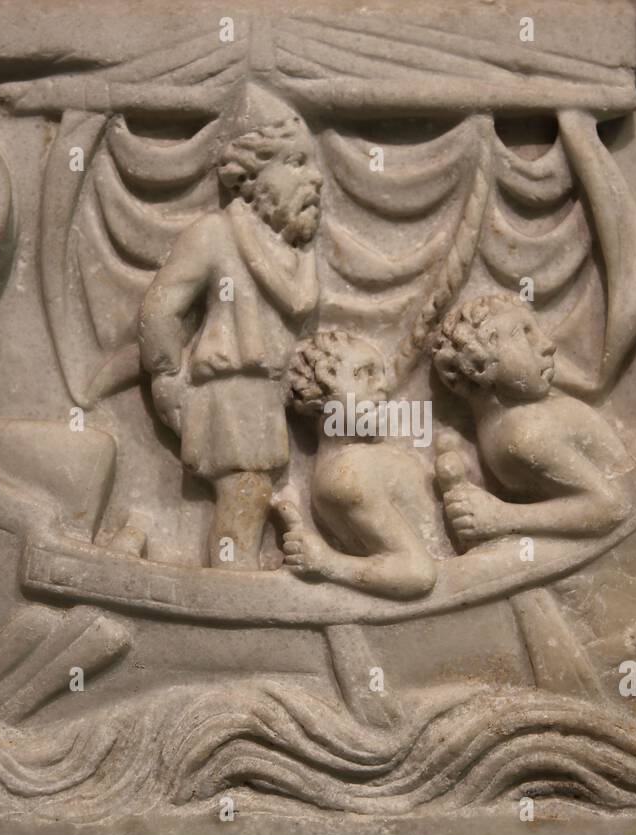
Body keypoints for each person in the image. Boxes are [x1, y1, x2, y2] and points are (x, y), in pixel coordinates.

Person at [138, 87, 322, 569]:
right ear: (255, 174)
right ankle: (231, 586)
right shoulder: (216, 234)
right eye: (298, 163)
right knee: (244, 494)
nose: (316, 178)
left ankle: (234, 579)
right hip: (228, 391)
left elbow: (298, 309)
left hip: (265, 395)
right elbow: (161, 309)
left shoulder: (291, 251)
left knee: (252, 496)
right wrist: (168, 383)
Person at [429, 293, 632, 543]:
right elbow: (610, 505)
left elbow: (611, 507)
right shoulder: (524, 433)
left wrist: (504, 517)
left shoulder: (524, 432)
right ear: (479, 365)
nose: (548, 344)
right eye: (524, 333)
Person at [275, 330, 439, 598]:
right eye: (364, 373)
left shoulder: (355, 465)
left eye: (382, 373)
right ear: (323, 385)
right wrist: (327, 563)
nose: (383, 385)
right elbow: (417, 571)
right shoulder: (348, 477)